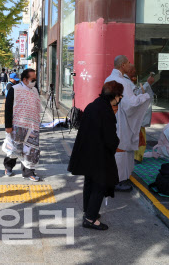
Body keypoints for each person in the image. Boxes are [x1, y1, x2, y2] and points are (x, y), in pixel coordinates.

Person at [68, 81, 122, 231]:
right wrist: (116, 144)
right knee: (100, 184)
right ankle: (90, 219)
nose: (120, 98)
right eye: (120, 95)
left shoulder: (93, 105)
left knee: (89, 182)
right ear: (115, 96)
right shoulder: (106, 111)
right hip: (99, 155)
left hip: (87, 152)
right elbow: (110, 138)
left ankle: (88, 212)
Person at [104, 55, 154, 191]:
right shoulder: (122, 82)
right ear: (123, 65)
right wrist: (145, 97)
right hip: (121, 119)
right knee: (120, 149)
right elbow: (130, 104)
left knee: (116, 149)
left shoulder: (109, 79)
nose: (130, 65)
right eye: (128, 63)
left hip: (111, 118)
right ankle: (117, 180)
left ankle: (117, 177)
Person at [4, 68, 42, 181]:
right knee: (15, 149)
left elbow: (37, 106)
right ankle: (8, 166)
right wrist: (8, 126)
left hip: (32, 126)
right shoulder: (14, 89)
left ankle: (29, 172)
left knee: (31, 150)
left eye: (35, 79)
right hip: (17, 125)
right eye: (32, 79)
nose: (34, 81)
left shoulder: (35, 90)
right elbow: (8, 109)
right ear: (25, 79)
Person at [130, 69, 153, 163]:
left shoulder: (130, 83)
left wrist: (147, 84)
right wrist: (147, 84)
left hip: (137, 117)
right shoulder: (126, 83)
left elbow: (139, 95)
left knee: (140, 138)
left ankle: (138, 157)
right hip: (132, 116)